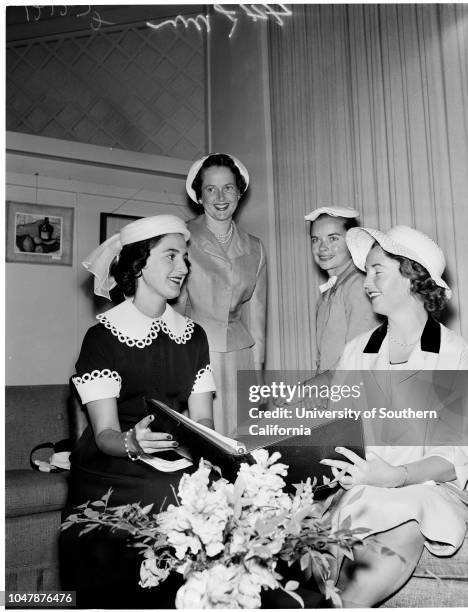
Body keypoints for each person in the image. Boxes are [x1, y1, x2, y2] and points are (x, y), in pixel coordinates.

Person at [60, 215, 216, 609]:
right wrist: (134, 441)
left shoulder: (194, 336)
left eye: (184, 257)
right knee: (167, 497)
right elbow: (105, 434)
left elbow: (203, 421)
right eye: (170, 257)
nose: (182, 268)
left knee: (225, 495)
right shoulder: (102, 337)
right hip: (114, 463)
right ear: (139, 263)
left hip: (176, 456)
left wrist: (211, 448)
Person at [319, 225, 468, 607]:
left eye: (377, 270)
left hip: (427, 488)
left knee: (402, 516)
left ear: (411, 276)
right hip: (361, 486)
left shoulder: (455, 355)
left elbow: (453, 457)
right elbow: (336, 430)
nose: (366, 282)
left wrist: (396, 477)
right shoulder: (357, 351)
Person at [177, 153, 267, 436]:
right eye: (210, 189)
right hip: (194, 355)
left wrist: (257, 378)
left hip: (241, 357)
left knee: (242, 441)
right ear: (199, 196)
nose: (220, 196)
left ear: (239, 192)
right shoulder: (181, 237)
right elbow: (173, 310)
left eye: (228, 187)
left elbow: (257, 318)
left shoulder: (256, 247)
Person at [304, 206, 377, 371]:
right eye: (315, 239)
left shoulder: (358, 286)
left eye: (333, 238)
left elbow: (356, 361)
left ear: (352, 241)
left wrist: (307, 388)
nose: (322, 248)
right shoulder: (329, 291)